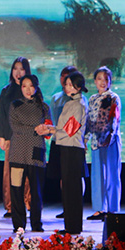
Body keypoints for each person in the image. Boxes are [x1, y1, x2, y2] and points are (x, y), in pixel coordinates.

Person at [46, 71, 89, 235]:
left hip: (72, 149)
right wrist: (52, 130)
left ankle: (74, 227)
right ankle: (70, 226)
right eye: (66, 84)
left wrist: (51, 130)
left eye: (71, 84)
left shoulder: (78, 104)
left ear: (78, 86)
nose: (67, 87)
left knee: (72, 190)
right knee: (69, 189)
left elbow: (70, 130)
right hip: (67, 147)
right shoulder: (72, 103)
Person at [10, 74, 52, 232]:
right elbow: (15, 127)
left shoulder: (44, 107)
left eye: (31, 86)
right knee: (16, 191)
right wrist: (35, 129)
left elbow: (48, 130)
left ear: (36, 87)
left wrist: (44, 129)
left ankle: (36, 224)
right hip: (17, 154)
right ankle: (18, 225)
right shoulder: (15, 105)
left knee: (37, 192)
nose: (27, 89)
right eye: (24, 86)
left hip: (36, 153)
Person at [0, 57, 31, 218]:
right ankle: (10, 206)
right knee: (10, 173)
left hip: (28, 138)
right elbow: (1, 114)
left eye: (21, 69)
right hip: (11, 137)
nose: (18, 72)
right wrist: (2, 136)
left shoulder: (31, 90)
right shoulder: (6, 91)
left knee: (27, 173)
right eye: (15, 69)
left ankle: (28, 203)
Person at [86, 66, 121, 221]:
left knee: (112, 174)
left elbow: (114, 120)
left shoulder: (113, 98)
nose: (103, 82)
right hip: (95, 140)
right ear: (95, 81)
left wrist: (109, 137)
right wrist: (86, 138)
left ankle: (112, 209)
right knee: (97, 175)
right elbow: (88, 120)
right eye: (99, 79)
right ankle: (99, 209)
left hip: (110, 141)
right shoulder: (92, 99)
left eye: (106, 79)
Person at [47, 65, 77, 219]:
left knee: (74, 176)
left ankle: (75, 205)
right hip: (57, 139)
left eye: (69, 77)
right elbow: (52, 118)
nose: (65, 80)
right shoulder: (56, 98)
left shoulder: (78, 101)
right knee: (61, 175)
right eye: (63, 77)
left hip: (71, 142)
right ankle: (66, 206)